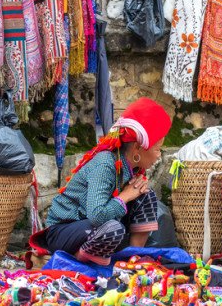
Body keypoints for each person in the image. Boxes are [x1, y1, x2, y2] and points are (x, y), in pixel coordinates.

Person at [36, 98, 173, 265]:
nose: (159, 155)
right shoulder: (105, 164)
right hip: (64, 232)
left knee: (146, 195)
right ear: (138, 147)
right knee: (113, 229)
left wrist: (133, 193)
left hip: (95, 231)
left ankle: (133, 261)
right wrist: (125, 196)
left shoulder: (130, 168)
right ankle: (75, 261)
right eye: (157, 149)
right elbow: (97, 216)